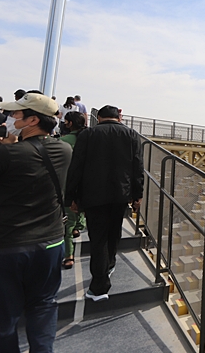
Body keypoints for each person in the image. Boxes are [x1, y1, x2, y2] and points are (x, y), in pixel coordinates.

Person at [0, 93, 71, 353]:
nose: (9, 119)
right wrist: (13, 142)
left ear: (32, 119)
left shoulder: (5, 155)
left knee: (1, 318)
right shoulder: (65, 150)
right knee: (43, 306)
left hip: (7, 246)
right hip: (51, 244)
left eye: (15, 115)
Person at [65, 105, 143, 301]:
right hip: (120, 194)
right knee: (113, 232)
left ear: (98, 117)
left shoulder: (88, 134)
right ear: (119, 118)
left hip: (93, 195)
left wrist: (71, 197)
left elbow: (76, 167)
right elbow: (137, 168)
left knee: (98, 238)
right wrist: (137, 195)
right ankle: (109, 264)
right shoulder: (132, 135)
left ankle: (99, 286)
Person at [59, 111, 87, 270]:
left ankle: (68, 255)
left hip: (68, 182)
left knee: (67, 221)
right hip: (86, 183)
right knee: (80, 208)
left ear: (69, 123)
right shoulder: (90, 140)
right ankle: (79, 226)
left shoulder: (63, 141)